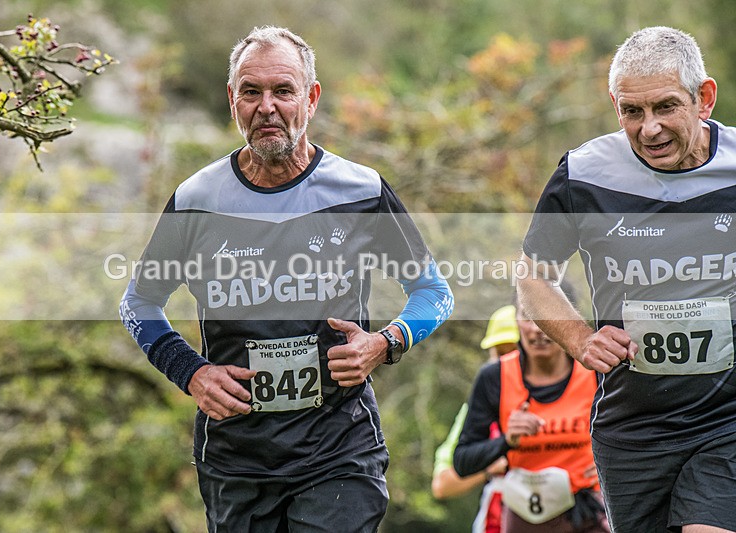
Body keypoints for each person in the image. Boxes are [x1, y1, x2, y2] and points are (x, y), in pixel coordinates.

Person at [119, 26, 453, 532]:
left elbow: (434, 292)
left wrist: (384, 343)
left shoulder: (358, 190)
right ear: (232, 101)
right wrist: (191, 371)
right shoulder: (196, 199)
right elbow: (139, 302)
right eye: (251, 92)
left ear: (311, 98)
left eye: (283, 90)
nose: (266, 107)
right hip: (237, 458)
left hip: (338, 449)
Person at [517, 26, 736, 532]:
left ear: (703, 98)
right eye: (632, 112)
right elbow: (532, 275)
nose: (650, 129)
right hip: (632, 428)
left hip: (726, 420)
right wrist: (579, 339)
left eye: (665, 107)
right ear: (614, 105)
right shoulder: (585, 174)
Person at [453, 285, 609, 532]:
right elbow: (462, 462)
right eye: (529, 316)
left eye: (549, 316)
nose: (539, 328)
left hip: (588, 510)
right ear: (515, 319)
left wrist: (607, 464)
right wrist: (507, 441)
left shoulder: (597, 371)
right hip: (525, 515)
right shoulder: (495, 377)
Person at [431, 304, 519, 532]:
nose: (506, 362)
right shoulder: (477, 411)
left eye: (514, 352)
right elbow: (442, 484)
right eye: (500, 354)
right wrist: (489, 466)